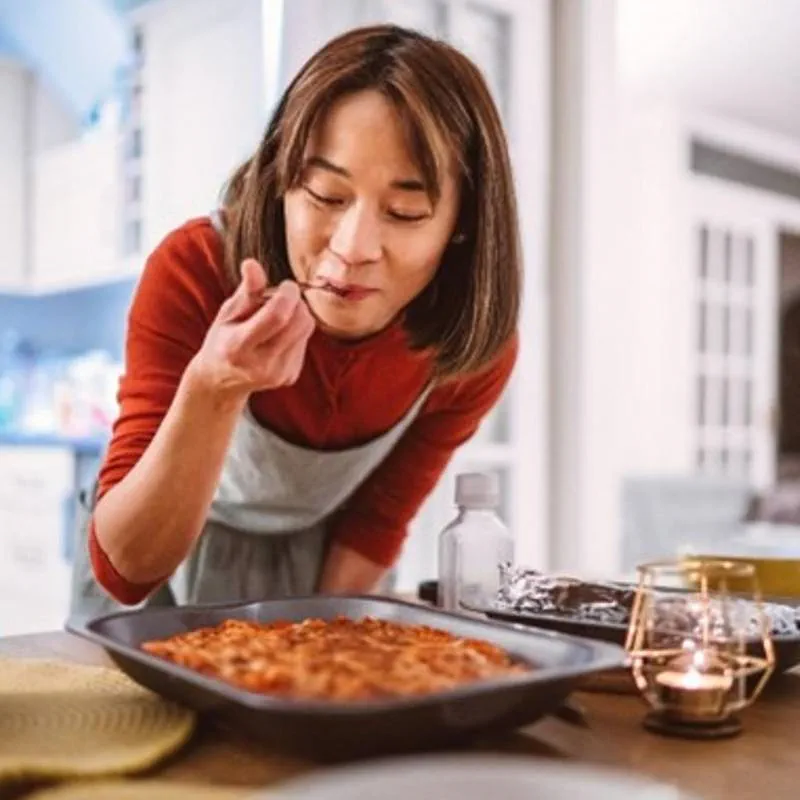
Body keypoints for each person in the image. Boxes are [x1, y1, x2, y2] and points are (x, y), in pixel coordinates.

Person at [69, 23, 521, 621]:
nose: (354, 246)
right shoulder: (196, 270)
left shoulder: (463, 350)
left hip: (318, 572)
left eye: (405, 212)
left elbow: (377, 521)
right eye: (326, 196)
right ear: (281, 179)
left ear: (462, 223)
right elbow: (126, 571)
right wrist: (214, 388)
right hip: (158, 567)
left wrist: (316, 648)